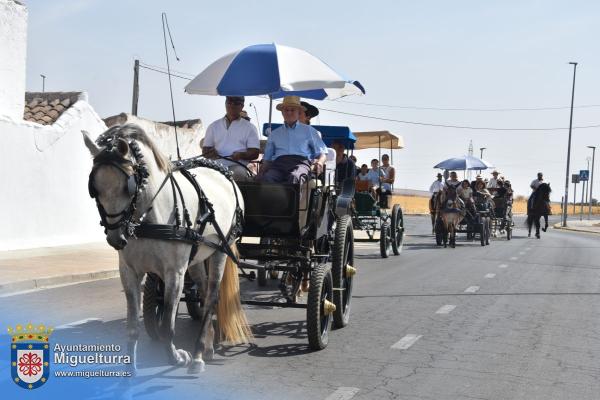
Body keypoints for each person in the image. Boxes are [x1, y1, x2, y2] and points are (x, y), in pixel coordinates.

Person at [259, 96, 327, 184]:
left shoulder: (309, 131)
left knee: (294, 177)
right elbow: (267, 159)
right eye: (286, 110)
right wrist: (260, 173)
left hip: (301, 164)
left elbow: (322, 153)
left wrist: (320, 163)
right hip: (278, 165)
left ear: (298, 112)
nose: (289, 112)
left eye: (292, 110)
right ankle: (272, 198)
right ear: (282, 112)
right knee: (267, 178)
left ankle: (291, 198)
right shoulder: (274, 134)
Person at [202, 96, 260, 181]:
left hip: (238, 165)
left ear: (242, 106)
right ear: (225, 103)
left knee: (238, 174)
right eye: (229, 101)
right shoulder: (213, 126)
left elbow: (255, 153)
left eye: (236, 102)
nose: (232, 104)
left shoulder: (250, 127)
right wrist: (210, 153)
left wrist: (241, 155)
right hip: (215, 165)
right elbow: (205, 151)